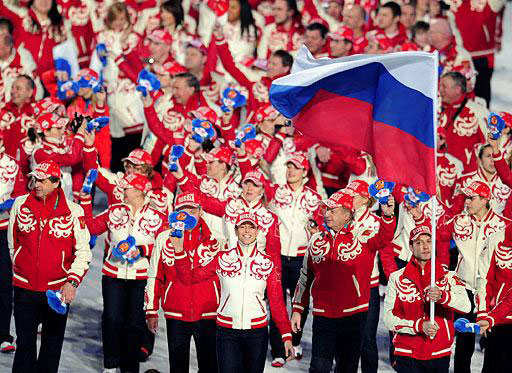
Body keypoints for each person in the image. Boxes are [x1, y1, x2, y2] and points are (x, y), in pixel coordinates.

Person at [174, 212, 294, 373]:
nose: (246, 231)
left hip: (257, 333)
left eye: (251, 227)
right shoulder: (222, 258)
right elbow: (190, 277)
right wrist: (179, 251)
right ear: (235, 231)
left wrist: (286, 336)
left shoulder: (267, 263)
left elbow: (277, 302)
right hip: (226, 332)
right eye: (242, 226)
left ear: (258, 231)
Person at [292, 189, 396, 372]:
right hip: (323, 315)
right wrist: (298, 309)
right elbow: (304, 277)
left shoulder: (363, 236)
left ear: (348, 214)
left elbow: (383, 239)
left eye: (333, 210)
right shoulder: (316, 240)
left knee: (347, 368)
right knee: (318, 367)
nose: (327, 214)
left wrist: (387, 216)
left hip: (353, 315)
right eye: (327, 210)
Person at [8, 160, 92, 373]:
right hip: (24, 287)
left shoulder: (74, 211)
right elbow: (13, 242)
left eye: (43, 180)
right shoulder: (19, 204)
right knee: (24, 345)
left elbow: (83, 252)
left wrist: (71, 281)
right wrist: (20, 266)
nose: (37, 184)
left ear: (56, 182)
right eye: (35, 179)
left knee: (51, 348)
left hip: (57, 291)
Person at [80, 172, 167, 373]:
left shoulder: (157, 217)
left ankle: (130, 368)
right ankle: (110, 365)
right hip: (113, 275)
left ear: (139, 192)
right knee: (111, 319)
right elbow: (92, 227)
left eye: (126, 187)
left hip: (141, 278)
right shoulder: (114, 211)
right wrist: (85, 198)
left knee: (135, 324)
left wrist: (143, 250)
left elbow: (166, 246)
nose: (122, 190)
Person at [145, 191, 221, 373]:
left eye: (192, 210)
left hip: (208, 312)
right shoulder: (163, 238)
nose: (188, 215)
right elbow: (155, 275)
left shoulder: (217, 239)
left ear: (200, 211)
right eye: (183, 210)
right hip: (176, 312)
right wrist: (151, 310)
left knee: (210, 367)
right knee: (178, 368)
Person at [384, 225, 471, 373]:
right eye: (419, 242)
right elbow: (388, 319)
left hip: (439, 352)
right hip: (407, 353)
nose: (425, 246)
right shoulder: (397, 278)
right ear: (410, 247)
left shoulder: (449, 276)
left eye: (429, 241)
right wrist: (418, 326)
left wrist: (443, 296)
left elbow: (466, 306)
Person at [0, 133, 26, 353]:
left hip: (3, 230)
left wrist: (11, 202)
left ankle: (3, 334)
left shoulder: (12, 165)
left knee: (4, 283)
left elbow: (20, 194)